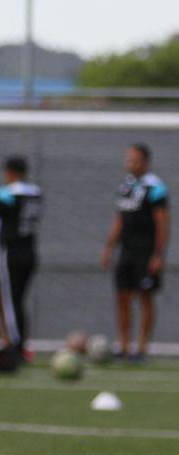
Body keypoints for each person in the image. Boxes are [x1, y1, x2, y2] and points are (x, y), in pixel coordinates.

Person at [101, 144, 170, 361]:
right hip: (127, 252)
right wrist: (109, 247)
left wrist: (158, 255)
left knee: (145, 297)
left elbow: (162, 223)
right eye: (129, 159)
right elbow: (119, 220)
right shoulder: (125, 187)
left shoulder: (156, 188)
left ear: (146, 162)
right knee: (122, 296)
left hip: (146, 251)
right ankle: (123, 345)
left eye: (136, 160)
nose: (131, 164)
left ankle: (141, 347)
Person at [0, 156, 42, 358]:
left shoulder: (6, 193)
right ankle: (23, 343)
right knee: (20, 299)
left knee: (10, 301)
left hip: (11, 252)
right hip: (30, 251)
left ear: (11, 172)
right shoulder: (36, 193)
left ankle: (16, 345)